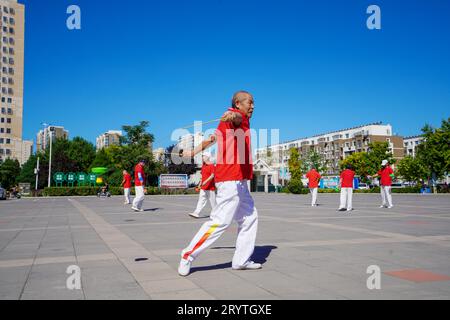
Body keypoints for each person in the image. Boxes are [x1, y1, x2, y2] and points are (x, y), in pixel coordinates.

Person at [178, 91, 261, 276]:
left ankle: (241, 261)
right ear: (238, 104)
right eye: (250, 102)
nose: (253, 106)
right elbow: (236, 118)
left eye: (254, 102)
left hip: (239, 181)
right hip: (230, 179)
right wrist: (234, 115)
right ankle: (187, 255)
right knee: (220, 221)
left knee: (250, 217)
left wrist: (193, 152)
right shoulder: (235, 116)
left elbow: (212, 139)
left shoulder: (232, 120)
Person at [189, 152, 216, 218]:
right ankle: (196, 213)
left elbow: (212, 175)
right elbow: (202, 176)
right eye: (202, 156)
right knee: (201, 200)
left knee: (213, 202)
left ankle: (216, 214)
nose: (202, 157)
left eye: (203, 156)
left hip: (210, 188)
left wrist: (205, 182)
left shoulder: (212, 166)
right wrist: (200, 184)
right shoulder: (204, 166)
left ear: (207, 157)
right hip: (203, 187)